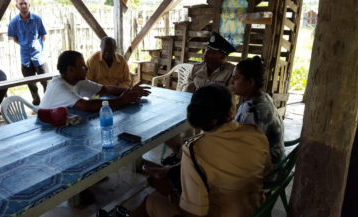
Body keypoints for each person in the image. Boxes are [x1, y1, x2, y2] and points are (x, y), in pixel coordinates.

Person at [114, 84, 271, 217]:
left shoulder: (195, 150)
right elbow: (267, 173)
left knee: (152, 200)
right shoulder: (255, 133)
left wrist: (171, 192)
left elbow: (194, 214)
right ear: (231, 111)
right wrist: (171, 171)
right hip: (257, 211)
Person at [162, 31, 236, 165]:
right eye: (207, 50)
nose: (206, 54)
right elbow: (188, 88)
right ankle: (180, 153)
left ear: (223, 57)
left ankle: (184, 157)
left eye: (212, 52)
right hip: (196, 109)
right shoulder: (197, 68)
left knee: (197, 137)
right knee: (166, 128)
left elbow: (228, 98)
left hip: (216, 116)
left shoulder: (230, 72)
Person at [39, 50, 150, 112]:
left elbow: (106, 89)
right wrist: (121, 100)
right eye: (82, 67)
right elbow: (86, 106)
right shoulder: (59, 86)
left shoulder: (78, 81)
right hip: (45, 129)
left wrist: (129, 91)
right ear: (71, 70)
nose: (86, 69)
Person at [230, 56, 285, 164]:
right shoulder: (264, 97)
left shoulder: (252, 110)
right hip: (277, 158)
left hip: (267, 167)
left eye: (236, 78)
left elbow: (243, 149)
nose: (232, 82)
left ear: (250, 82)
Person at [8, 0, 48, 106]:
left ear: (29, 5)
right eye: (21, 3)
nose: (23, 5)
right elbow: (15, 39)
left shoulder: (37, 19)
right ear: (17, 6)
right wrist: (24, 44)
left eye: (25, 3)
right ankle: (36, 102)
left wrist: (37, 46)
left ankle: (48, 104)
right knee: (31, 84)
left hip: (39, 57)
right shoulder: (14, 22)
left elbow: (43, 35)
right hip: (25, 58)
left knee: (46, 83)